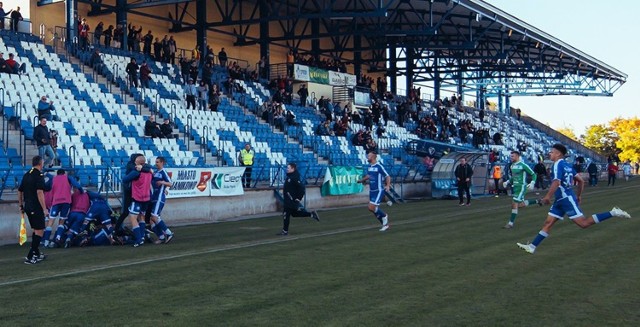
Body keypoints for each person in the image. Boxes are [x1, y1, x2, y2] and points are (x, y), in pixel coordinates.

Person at [516, 144, 631, 254]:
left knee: (583, 223)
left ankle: (614, 212)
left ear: (558, 154)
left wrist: (547, 197)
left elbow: (556, 182)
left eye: (551, 152)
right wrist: (579, 195)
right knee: (548, 223)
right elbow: (580, 181)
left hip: (565, 199)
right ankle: (532, 247)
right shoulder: (567, 165)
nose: (549, 153)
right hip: (560, 200)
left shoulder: (557, 165)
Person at [18, 156, 48, 264]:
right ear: (40, 163)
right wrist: (45, 208)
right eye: (43, 162)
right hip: (35, 206)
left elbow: (20, 190)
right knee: (40, 230)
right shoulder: (39, 175)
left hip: (28, 207)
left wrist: (21, 205)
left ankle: (37, 253)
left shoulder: (27, 174)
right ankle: (31, 256)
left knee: (36, 229)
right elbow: (40, 193)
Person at [277, 163, 320, 236]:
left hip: (291, 200)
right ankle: (311, 214)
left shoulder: (295, 178)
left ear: (292, 169)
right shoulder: (290, 176)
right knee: (294, 214)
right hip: (288, 199)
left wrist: (298, 198)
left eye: (288, 168)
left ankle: (285, 231)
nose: (287, 169)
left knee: (286, 214)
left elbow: (301, 188)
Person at [501, 151, 541, 229]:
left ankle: (510, 223)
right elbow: (513, 177)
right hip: (515, 187)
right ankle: (537, 201)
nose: (511, 157)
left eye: (512, 156)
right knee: (521, 205)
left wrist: (532, 183)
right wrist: (508, 182)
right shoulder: (512, 166)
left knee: (514, 203)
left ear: (517, 156)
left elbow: (533, 174)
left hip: (521, 187)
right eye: (510, 156)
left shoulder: (523, 165)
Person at [45, 169, 83, 248]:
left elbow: (46, 187)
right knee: (61, 222)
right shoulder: (68, 178)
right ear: (64, 173)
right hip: (66, 202)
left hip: (56, 202)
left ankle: (46, 242)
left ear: (57, 174)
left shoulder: (54, 178)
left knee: (50, 221)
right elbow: (78, 186)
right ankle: (58, 238)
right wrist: (82, 191)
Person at [122, 155, 154, 247]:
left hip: (137, 198)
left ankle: (139, 239)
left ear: (138, 163)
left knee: (133, 218)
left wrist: (135, 170)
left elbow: (124, 179)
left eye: (135, 162)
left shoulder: (136, 172)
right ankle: (142, 236)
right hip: (146, 197)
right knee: (141, 216)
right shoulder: (149, 171)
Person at [357, 151, 391, 232]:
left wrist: (387, 185)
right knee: (372, 209)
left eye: (369, 156)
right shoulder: (369, 166)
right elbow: (369, 175)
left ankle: (385, 216)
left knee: (371, 207)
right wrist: (361, 180)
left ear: (374, 157)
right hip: (372, 191)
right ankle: (384, 224)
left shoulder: (379, 166)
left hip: (378, 190)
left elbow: (387, 176)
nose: (367, 157)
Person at [148, 157, 174, 243]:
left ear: (162, 163)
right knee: (151, 219)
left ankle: (168, 233)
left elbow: (170, 183)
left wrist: (163, 183)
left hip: (159, 198)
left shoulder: (163, 172)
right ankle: (161, 236)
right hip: (154, 197)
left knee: (154, 217)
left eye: (157, 162)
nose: (156, 163)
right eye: (155, 162)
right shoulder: (156, 173)